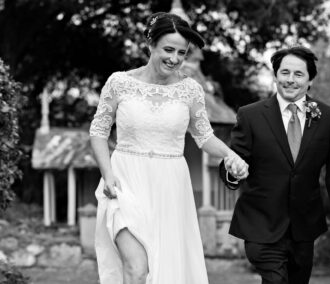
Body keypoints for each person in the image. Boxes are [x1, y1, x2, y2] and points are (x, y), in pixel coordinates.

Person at [89, 12, 248, 284]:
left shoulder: (190, 90)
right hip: (125, 181)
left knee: (165, 271)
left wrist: (230, 154)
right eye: (168, 49)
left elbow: (204, 137)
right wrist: (107, 174)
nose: (174, 58)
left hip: (170, 187)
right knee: (136, 268)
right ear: (151, 45)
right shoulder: (119, 83)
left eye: (182, 53)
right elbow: (98, 131)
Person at [219, 46, 330, 284]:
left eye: (298, 74)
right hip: (260, 224)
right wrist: (232, 170)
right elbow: (232, 159)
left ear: (310, 80)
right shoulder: (250, 115)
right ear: (275, 76)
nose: (290, 80)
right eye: (284, 73)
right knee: (275, 280)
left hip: (304, 227)